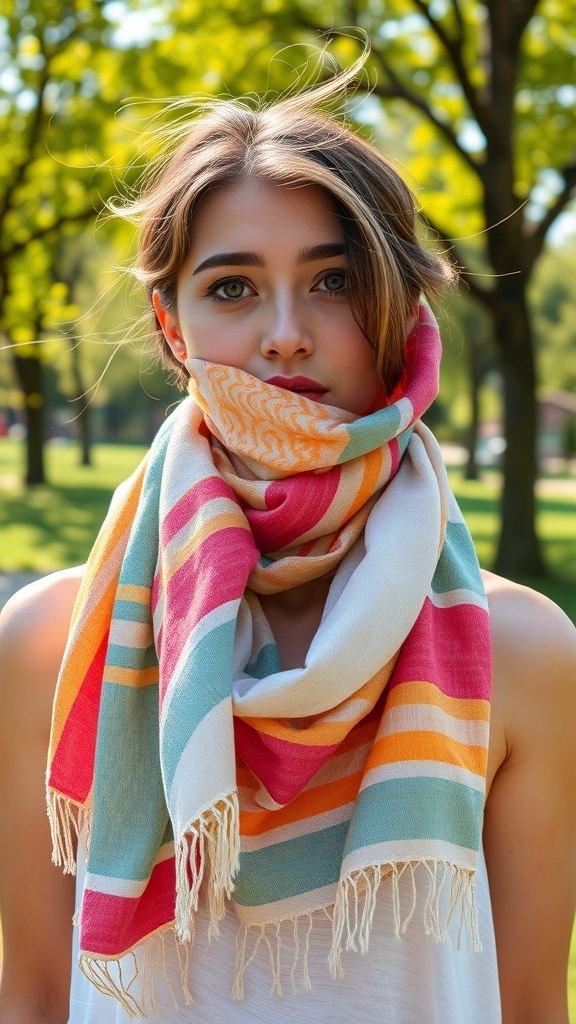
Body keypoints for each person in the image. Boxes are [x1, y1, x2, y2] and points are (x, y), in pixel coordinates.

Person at [1, 59, 576, 1024]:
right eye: (231, 288)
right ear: (170, 327)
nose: (285, 335)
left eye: (334, 280)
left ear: (403, 310)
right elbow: (29, 996)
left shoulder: (523, 655)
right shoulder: (49, 646)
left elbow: (526, 1006)